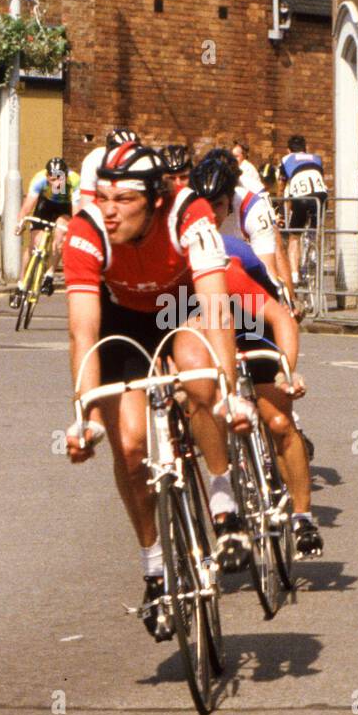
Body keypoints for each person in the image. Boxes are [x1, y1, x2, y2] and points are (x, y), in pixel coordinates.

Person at [63, 142, 256, 636]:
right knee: (128, 446)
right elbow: (83, 331)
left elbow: (215, 308)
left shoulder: (189, 211)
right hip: (121, 320)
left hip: (181, 305)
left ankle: (221, 498)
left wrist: (229, 391)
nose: (108, 209)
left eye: (123, 199)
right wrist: (84, 417)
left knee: (196, 374)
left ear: (154, 199)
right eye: (103, 195)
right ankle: (153, 568)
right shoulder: (87, 230)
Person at [220, 233, 323, 556]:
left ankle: (302, 519)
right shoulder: (173, 281)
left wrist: (286, 374)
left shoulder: (228, 270)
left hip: (254, 323)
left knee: (277, 421)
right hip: (204, 323)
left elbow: (281, 320)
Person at [191, 148, 296, 305]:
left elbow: (269, 265)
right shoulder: (193, 198)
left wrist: (287, 301)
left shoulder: (252, 198)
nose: (211, 213)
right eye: (207, 204)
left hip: (247, 262)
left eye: (218, 204)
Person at [11, 156, 79, 306]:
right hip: (45, 205)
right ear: (47, 176)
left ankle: (49, 275)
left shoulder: (74, 181)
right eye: (52, 179)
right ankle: (21, 285)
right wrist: (20, 222)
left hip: (64, 208)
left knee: (60, 236)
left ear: (66, 175)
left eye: (60, 179)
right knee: (35, 244)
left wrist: (75, 229)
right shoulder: (39, 180)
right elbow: (28, 204)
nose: (56, 183)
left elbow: (76, 210)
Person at [278, 135, 328, 285]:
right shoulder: (316, 158)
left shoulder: (286, 159)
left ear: (289, 150)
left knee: (294, 236)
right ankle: (314, 250)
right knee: (315, 229)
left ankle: (294, 275)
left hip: (301, 197)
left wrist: (281, 205)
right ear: (305, 148)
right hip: (321, 196)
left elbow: (281, 185)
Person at [78, 129, 140, 211]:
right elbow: (86, 204)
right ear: (108, 151)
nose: (124, 156)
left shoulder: (142, 162)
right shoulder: (94, 159)